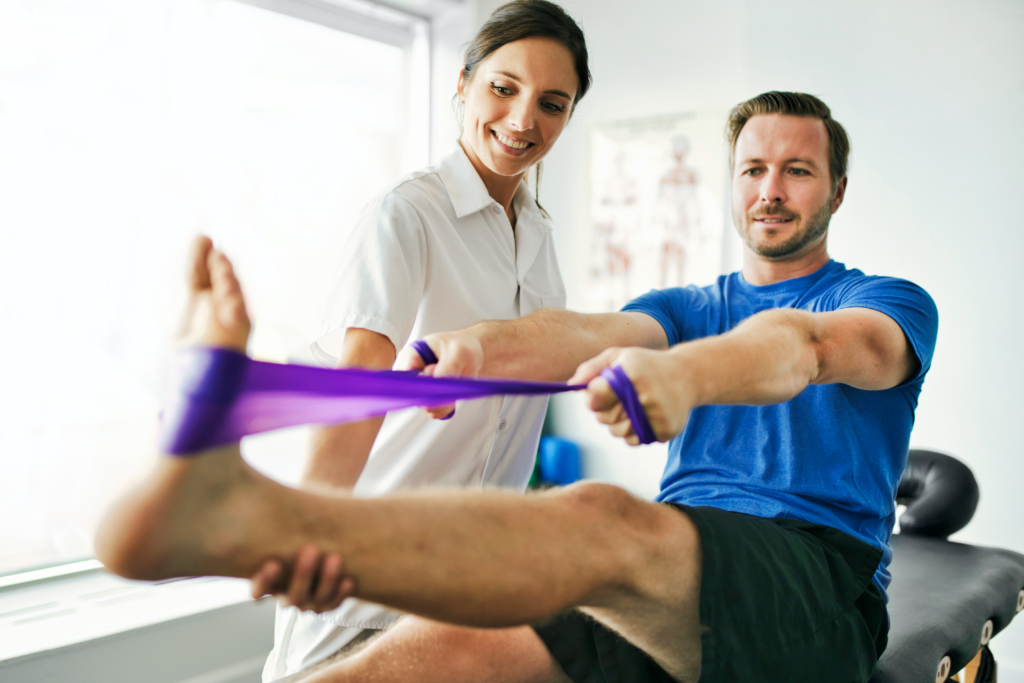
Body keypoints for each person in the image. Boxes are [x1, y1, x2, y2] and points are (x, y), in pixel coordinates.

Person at [96, 91, 938, 683]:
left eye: (797, 170)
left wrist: (684, 374)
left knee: (594, 511)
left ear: (836, 188)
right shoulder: (690, 304)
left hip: (816, 585)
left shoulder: (886, 301)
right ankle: (237, 511)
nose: (770, 189)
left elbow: (810, 346)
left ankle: (249, 517)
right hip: (672, 581)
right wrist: (470, 349)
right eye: (754, 168)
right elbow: (579, 331)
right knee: (430, 650)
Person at [256, 2, 591, 680]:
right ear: (462, 83)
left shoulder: (542, 239)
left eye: (552, 103)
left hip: (476, 572)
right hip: (374, 561)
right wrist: (308, 533)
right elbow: (357, 385)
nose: (525, 120)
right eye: (504, 88)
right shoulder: (408, 212)